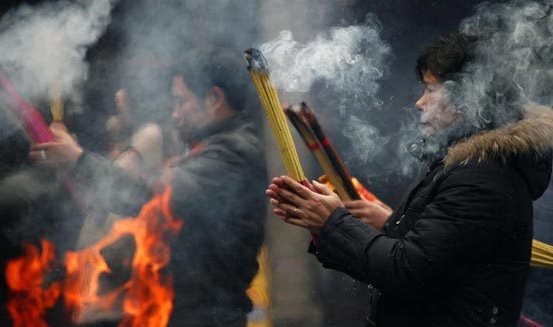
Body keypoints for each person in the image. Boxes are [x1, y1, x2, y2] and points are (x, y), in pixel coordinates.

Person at [266, 32, 553, 327]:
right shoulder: (465, 165)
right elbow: (436, 253)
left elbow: (408, 272)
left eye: (430, 90)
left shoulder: (482, 180)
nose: (419, 102)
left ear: (469, 98)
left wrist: (332, 222)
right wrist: (389, 223)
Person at [30, 47, 267, 327]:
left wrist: (78, 160)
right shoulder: (211, 147)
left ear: (214, 98)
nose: (175, 114)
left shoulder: (232, 152)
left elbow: (153, 196)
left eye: (181, 102)